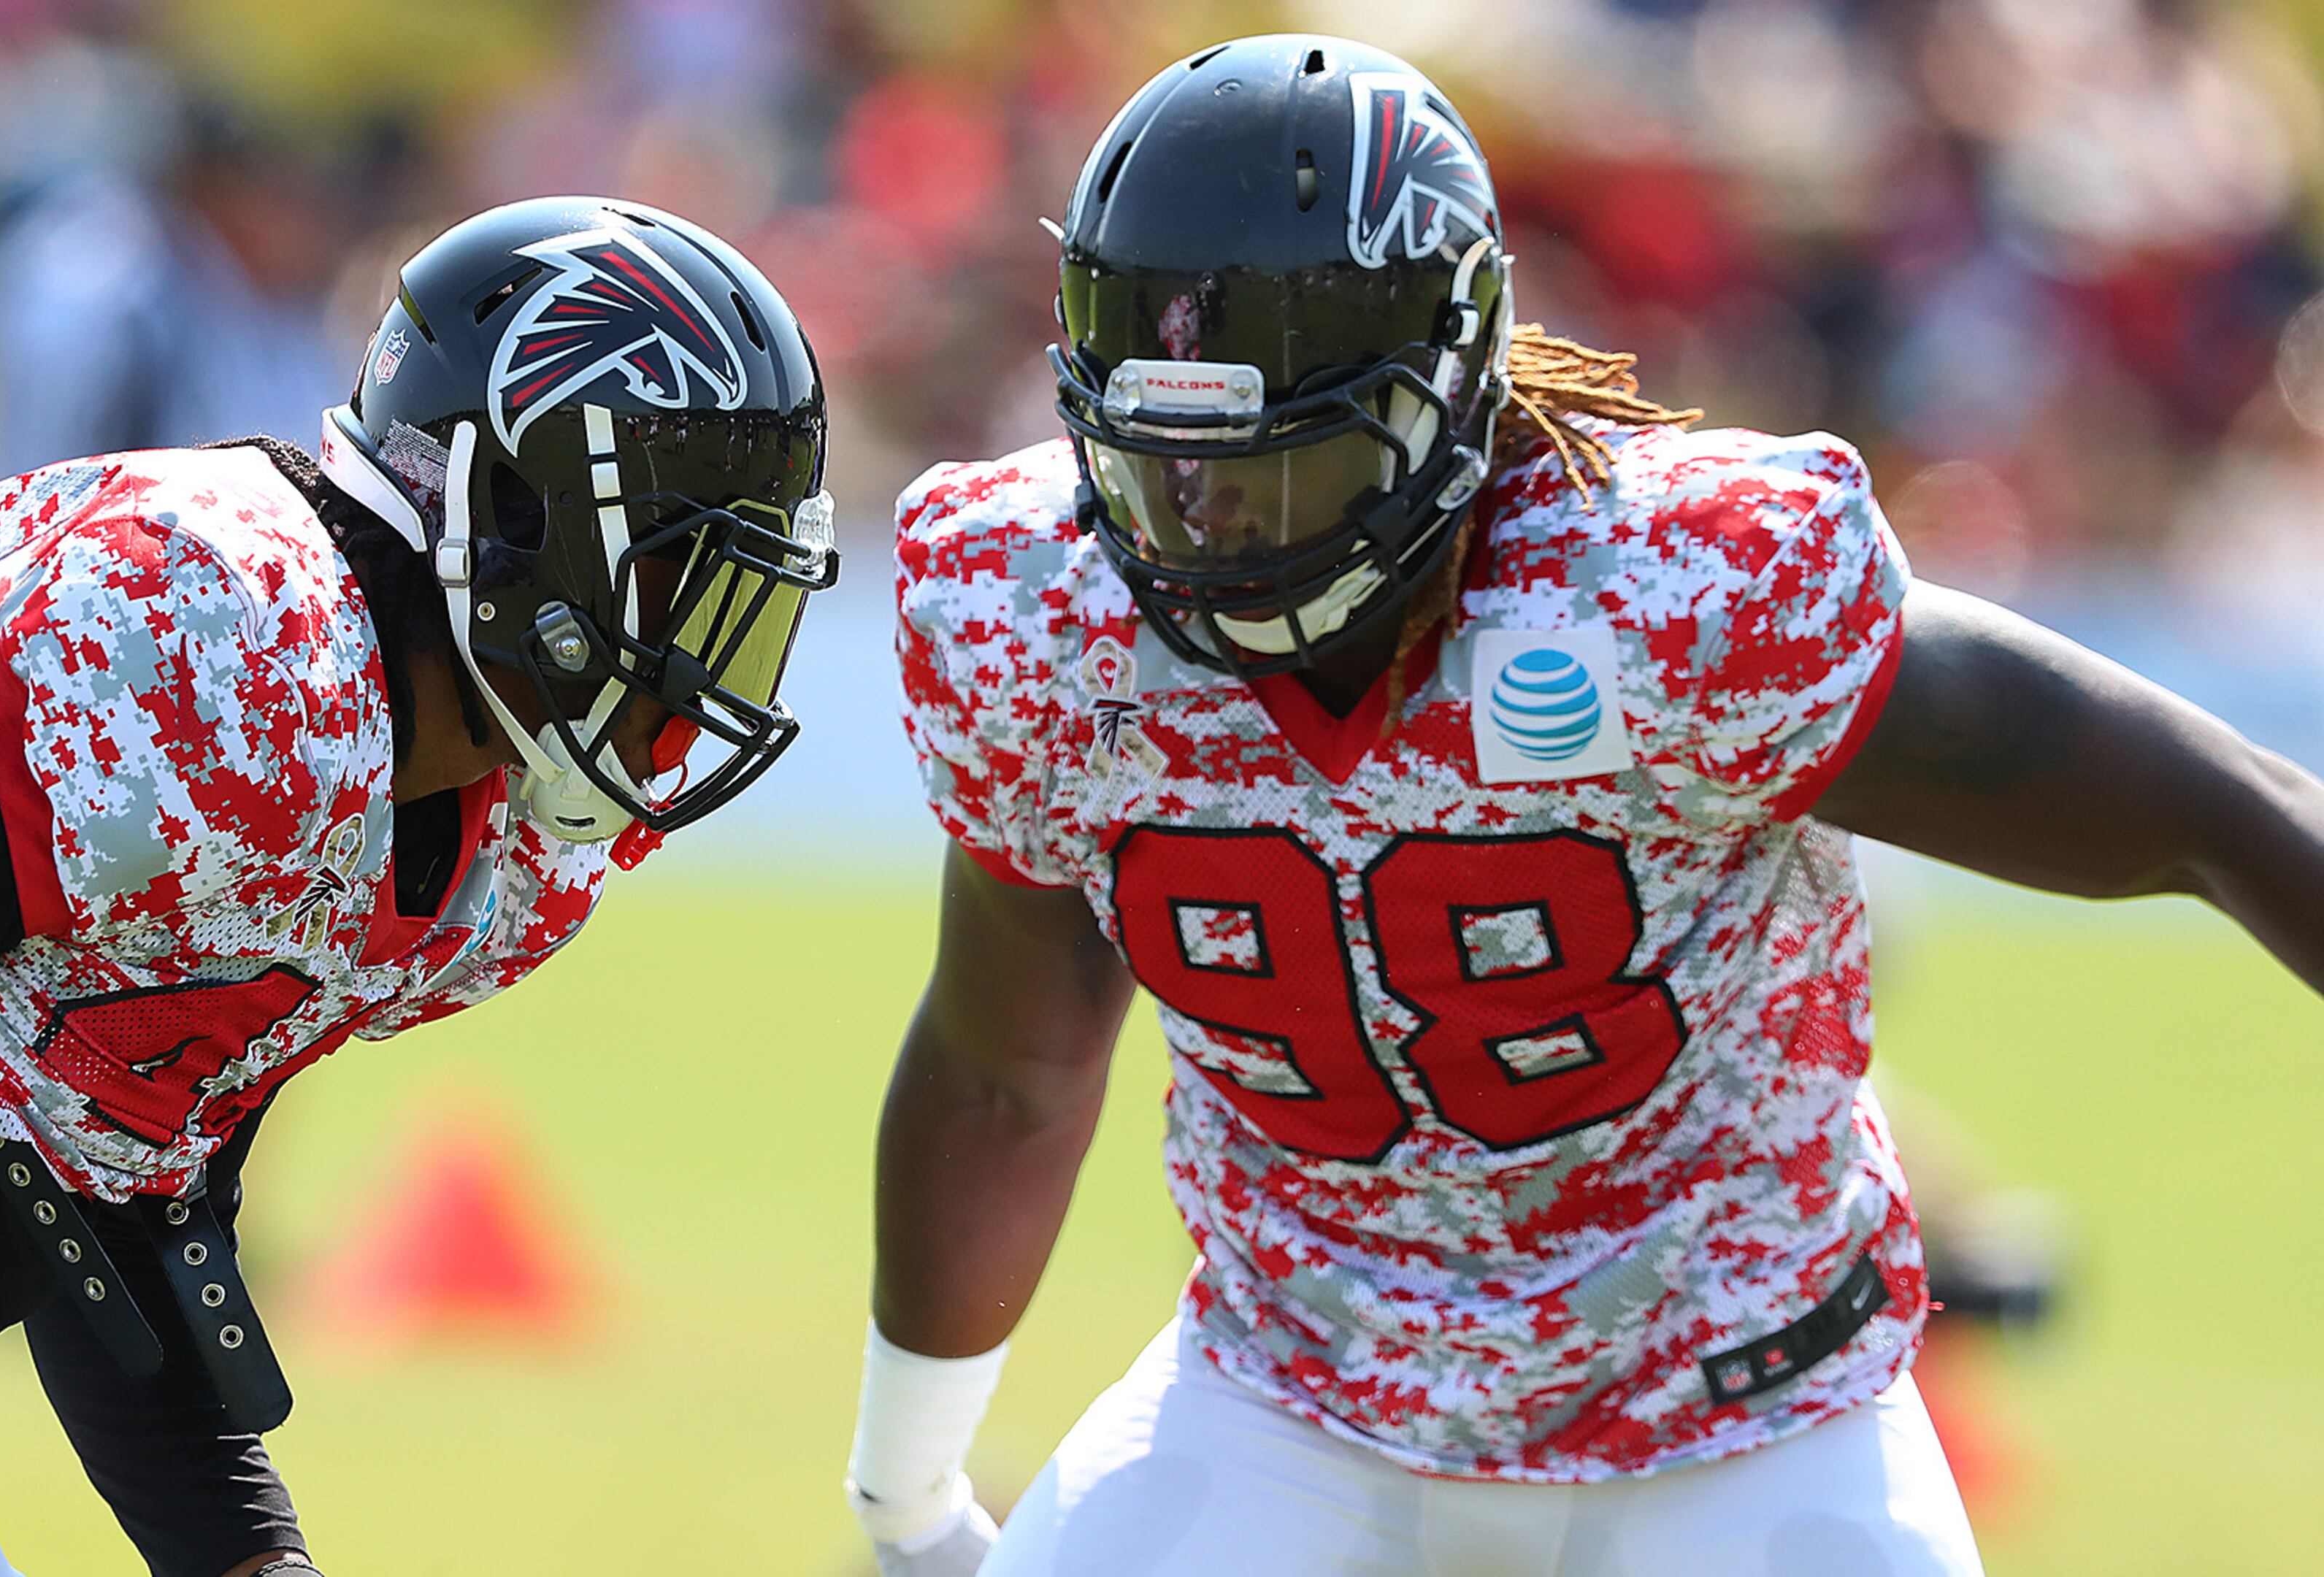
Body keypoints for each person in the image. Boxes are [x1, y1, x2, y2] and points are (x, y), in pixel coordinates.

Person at [840, 36, 2324, 1577]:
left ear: (1445, 395)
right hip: (1288, 1405)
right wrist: (908, 1487)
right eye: (1163, 469)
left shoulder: (1677, 591)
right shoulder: (1036, 610)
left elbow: (2211, 809)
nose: (1207, 529)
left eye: (1284, 465)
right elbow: (1005, 1071)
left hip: (1747, 1421)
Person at [0, 194, 835, 1577]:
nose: (705, 647)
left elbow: (110, 1191)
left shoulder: (498, 839)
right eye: (683, 566)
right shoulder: (218, 631)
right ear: (514, 511)